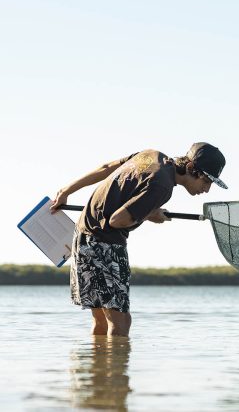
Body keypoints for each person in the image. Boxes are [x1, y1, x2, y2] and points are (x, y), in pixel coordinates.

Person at [50, 142, 227, 337]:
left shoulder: (152, 155)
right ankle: (114, 367)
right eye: (207, 181)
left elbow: (106, 168)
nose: (207, 189)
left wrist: (66, 191)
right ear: (191, 168)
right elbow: (117, 220)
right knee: (121, 321)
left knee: (101, 319)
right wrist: (151, 214)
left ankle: (98, 367)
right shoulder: (163, 187)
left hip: (84, 233)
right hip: (104, 243)